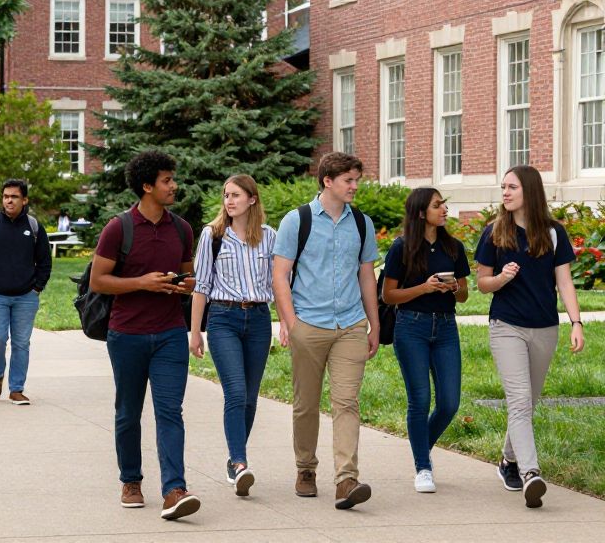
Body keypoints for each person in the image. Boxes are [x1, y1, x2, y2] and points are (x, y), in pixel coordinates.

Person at [90, 150, 201, 521]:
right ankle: (131, 480)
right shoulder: (119, 228)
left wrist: (185, 286)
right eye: (167, 180)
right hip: (127, 334)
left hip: (170, 334)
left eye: (173, 179)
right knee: (128, 413)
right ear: (147, 185)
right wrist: (142, 283)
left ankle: (174, 489)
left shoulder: (182, 229)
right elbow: (99, 280)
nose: (174, 186)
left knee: (171, 411)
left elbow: (188, 276)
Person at [272, 151, 380, 510]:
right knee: (306, 404)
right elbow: (280, 276)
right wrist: (291, 324)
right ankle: (305, 469)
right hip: (309, 324)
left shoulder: (361, 223)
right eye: (349, 180)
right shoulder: (297, 221)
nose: (355, 187)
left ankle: (346, 479)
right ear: (328, 181)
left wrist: (374, 323)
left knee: (347, 402)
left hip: (350, 324)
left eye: (356, 180)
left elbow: (366, 275)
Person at [475, 165, 585, 509]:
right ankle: (530, 473)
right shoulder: (494, 232)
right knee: (520, 401)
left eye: (512, 187)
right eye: (503, 187)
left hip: (545, 328)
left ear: (530, 192)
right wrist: (502, 279)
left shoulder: (553, 233)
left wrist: (576, 322)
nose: (505, 193)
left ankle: (508, 460)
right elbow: (482, 284)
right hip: (506, 326)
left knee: (528, 403)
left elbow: (564, 281)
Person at [189, 174, 276, 498]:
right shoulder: (212, 236)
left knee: (251, 397)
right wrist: (196, 332)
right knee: (236, 392)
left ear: (252, 199)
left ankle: (234, 458)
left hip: (258, 319)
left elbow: (280, 282)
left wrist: (289, 323)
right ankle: (239, 463)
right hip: (223, 317)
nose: (229, 200)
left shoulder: (270, 237)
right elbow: (201, 286)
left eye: (236, 195)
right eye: (226, 195)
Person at [381, 188, 470, 493]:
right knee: (419, 400)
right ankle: (423, 467)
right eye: (437, 205)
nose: (444, 209)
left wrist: (454, 286)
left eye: (443, 203)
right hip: (411, 327)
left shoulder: (454, 247)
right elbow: (388, 295)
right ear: (421, 213)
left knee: (449, 402)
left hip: (446, 329)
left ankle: (420, 447)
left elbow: (465, 295)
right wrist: (425, 288)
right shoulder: (401, 248)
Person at [0, 179, 51, 406]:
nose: (9, 200)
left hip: (26, 296)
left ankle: (16, 389)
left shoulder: (34, 227)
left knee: (21, 343)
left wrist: (37, 287)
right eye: (6, 196)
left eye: (14, 196)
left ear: (24, 200)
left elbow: (44, 260)